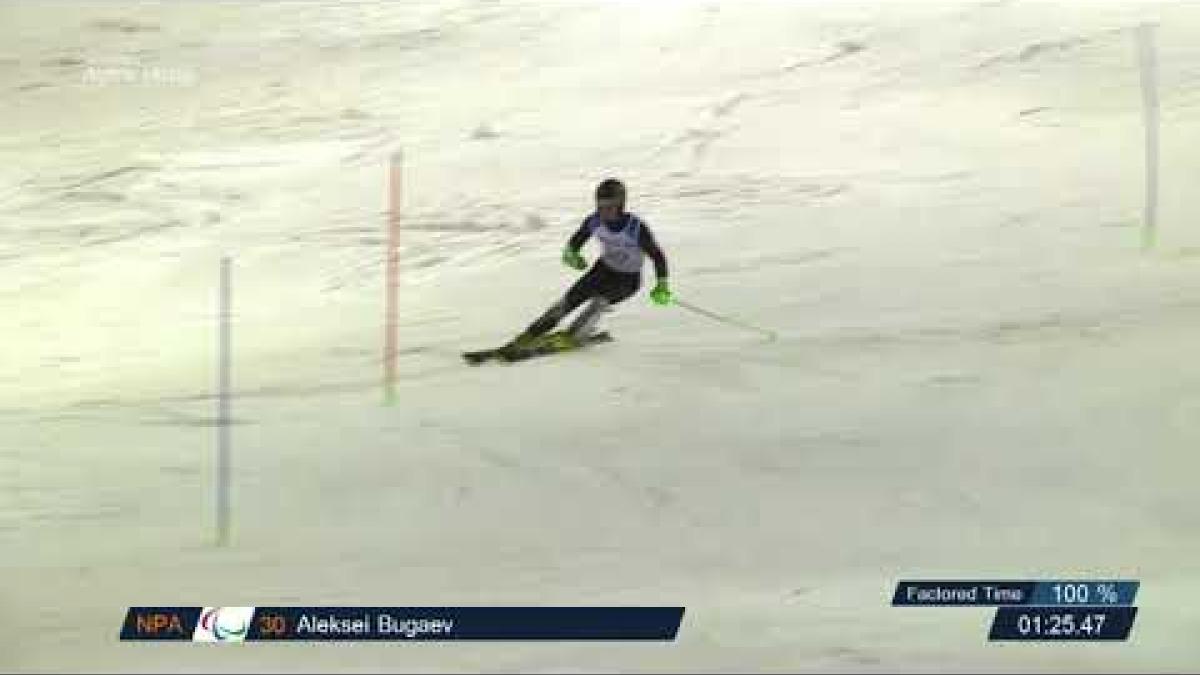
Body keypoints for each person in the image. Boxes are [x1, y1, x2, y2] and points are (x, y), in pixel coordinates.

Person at [505, 177, 672, 355]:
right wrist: (571, 255)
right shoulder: (594, 221)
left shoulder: (635, 228)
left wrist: (661, 285)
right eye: (600, 206)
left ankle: (574, 335)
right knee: (570, 299)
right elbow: (576, 241)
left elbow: (657, 256)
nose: (604, 212)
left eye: (610, 207)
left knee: (600, 302)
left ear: (620, 205)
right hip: (603, 269)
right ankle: (533, 332)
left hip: (628, 279)